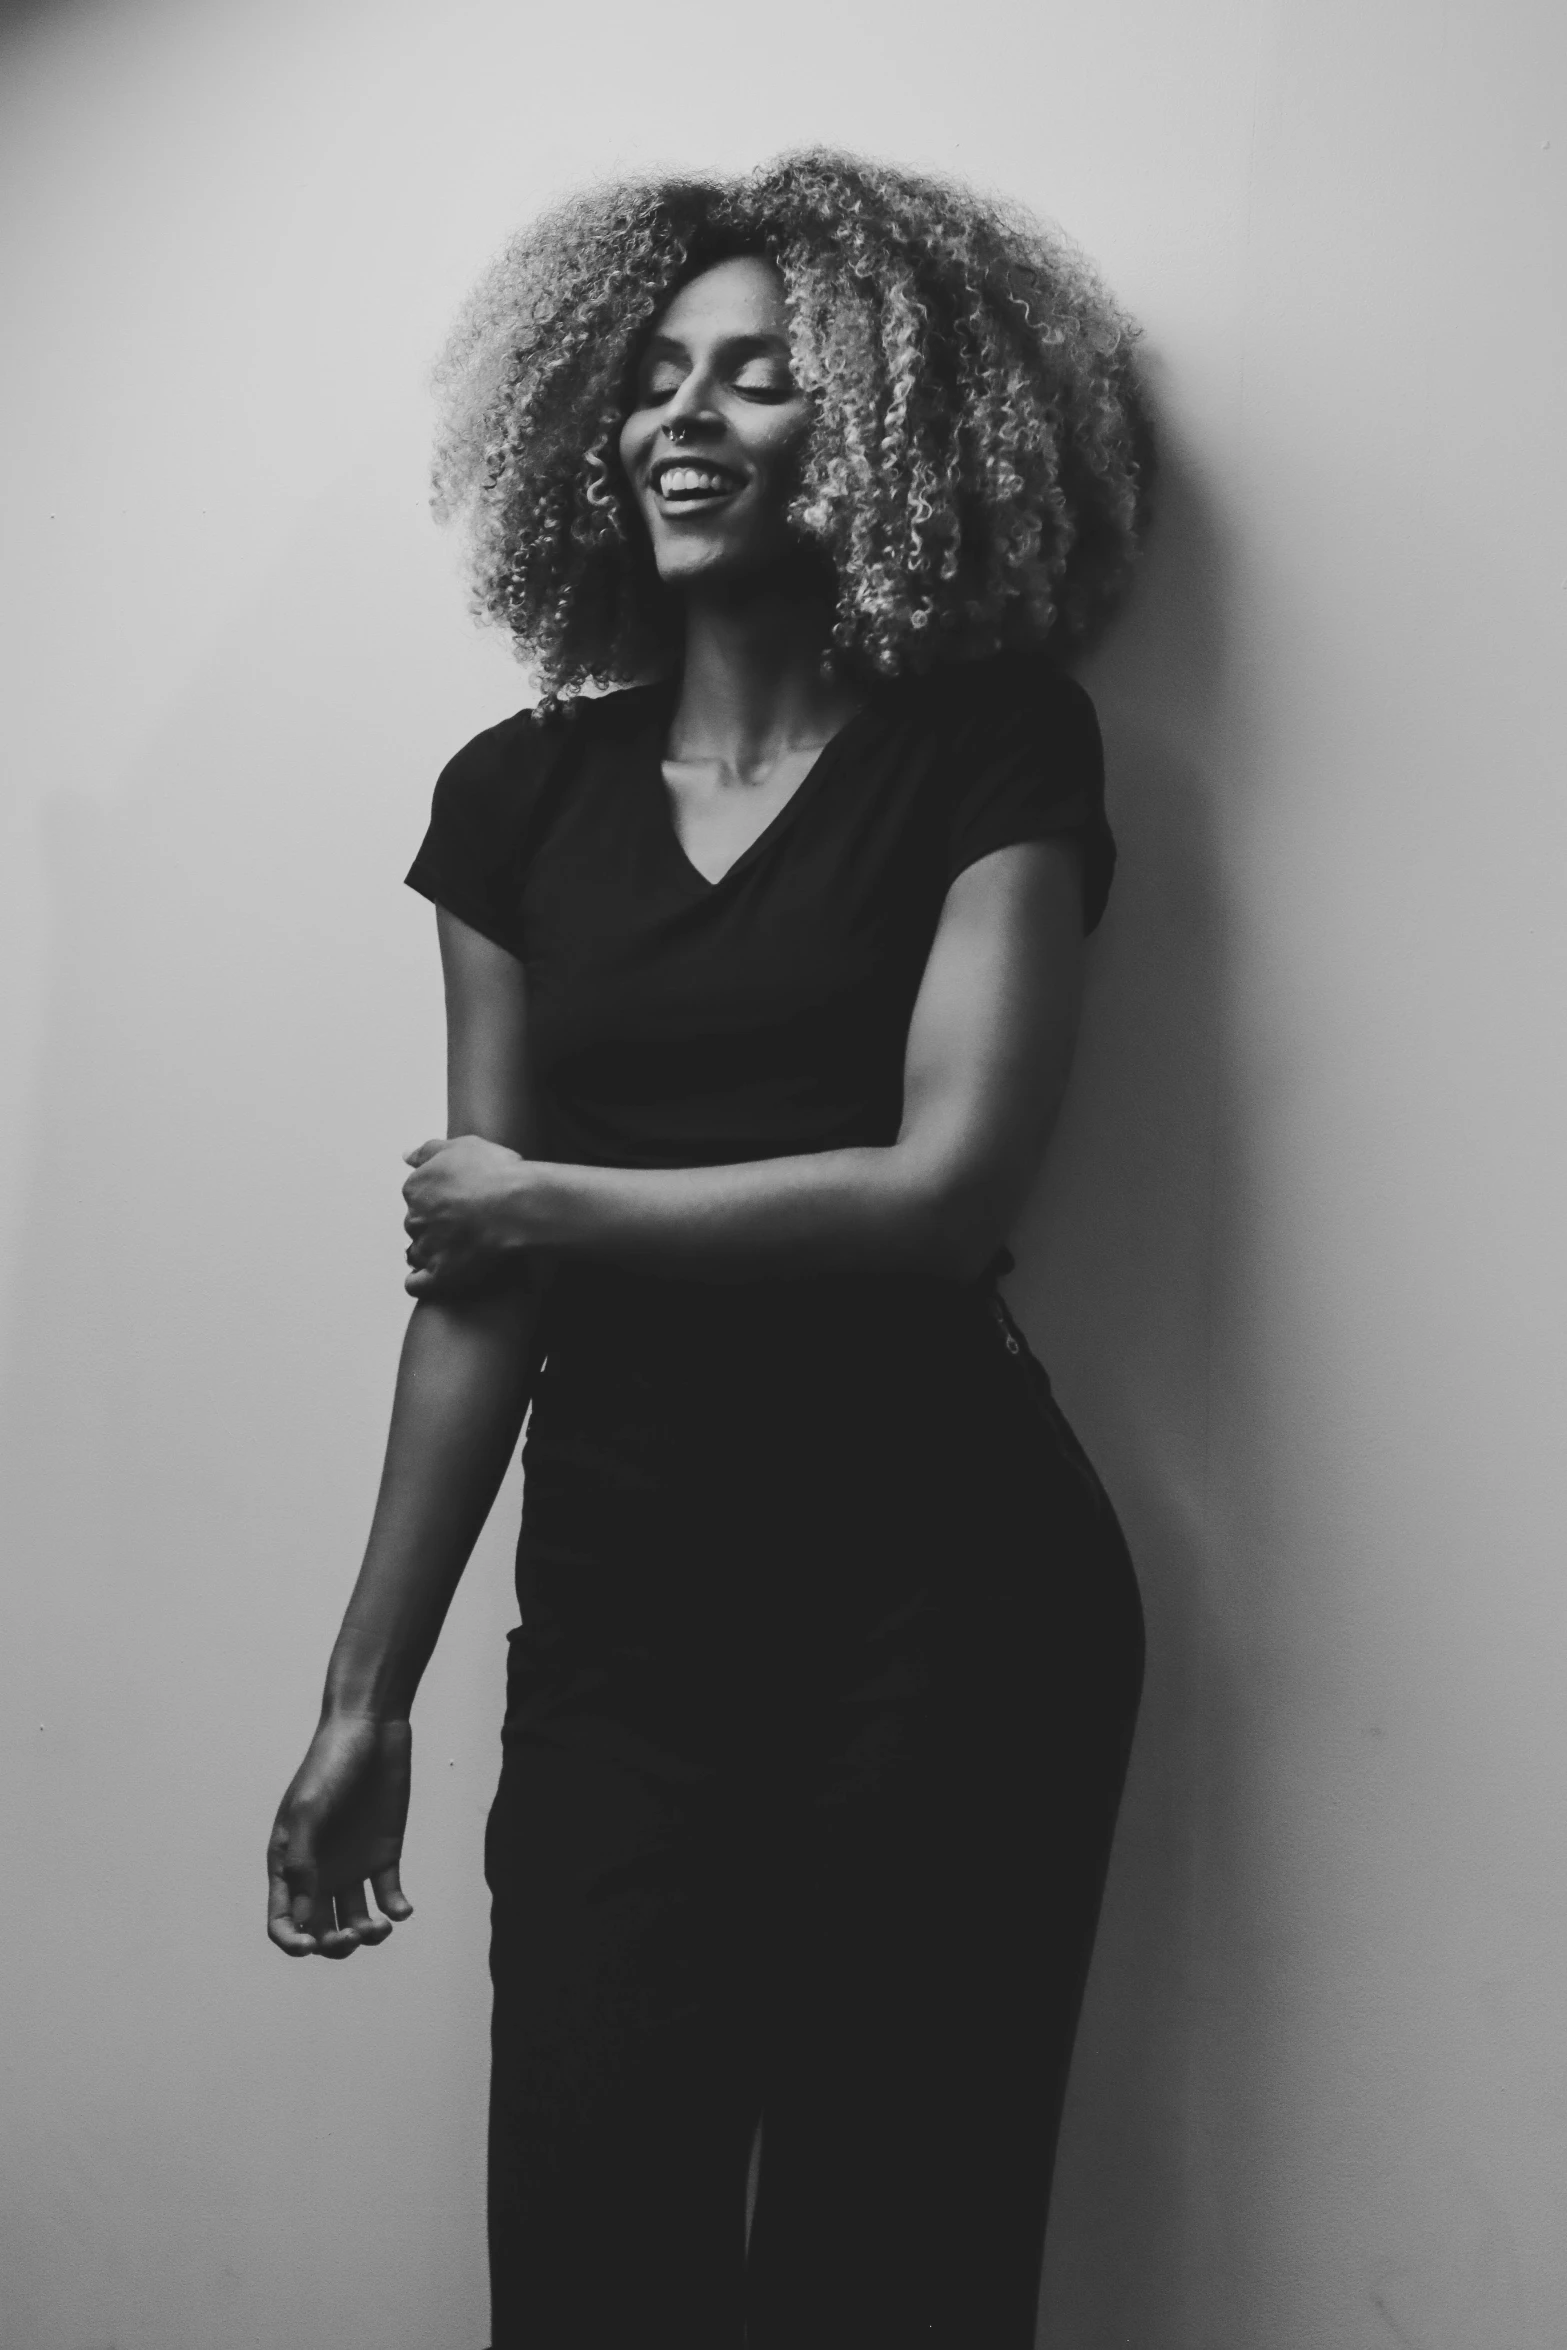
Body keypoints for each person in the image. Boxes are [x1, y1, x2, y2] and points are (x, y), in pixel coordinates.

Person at [267, 150, 1152, 2350]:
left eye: (761, 379)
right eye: (656, 374)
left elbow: (944, 1189)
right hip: (627, 1621)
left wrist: (549, 1199)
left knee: (898, 2271)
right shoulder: (517, 803)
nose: (687, 416)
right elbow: (476, 1296)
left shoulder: (992, 752)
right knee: (591, 2259)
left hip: (954, 1606)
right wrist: (362, 1694)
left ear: (882, 435)